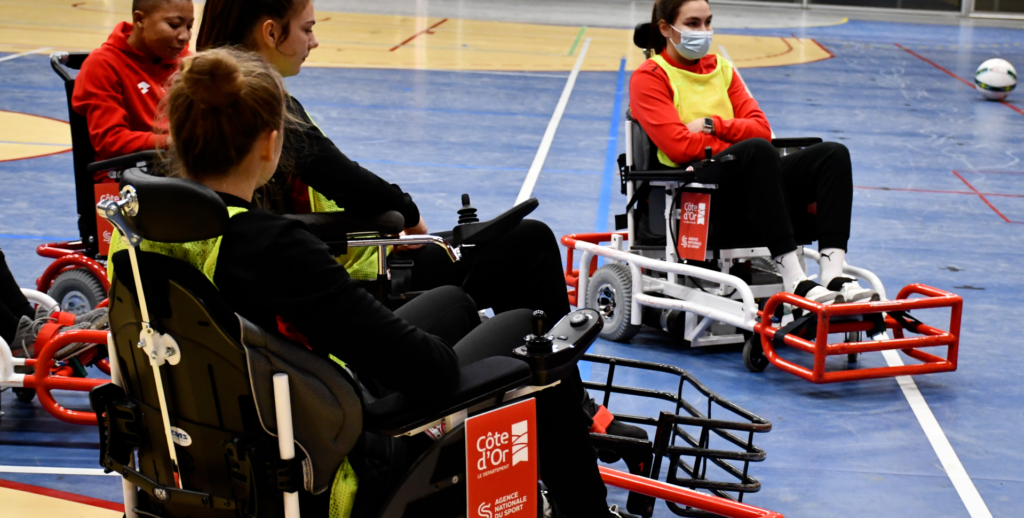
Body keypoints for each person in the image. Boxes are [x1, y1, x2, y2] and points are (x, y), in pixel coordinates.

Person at [147, 47, 634, 518]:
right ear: (271, 144)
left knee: (452, 302)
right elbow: (434, 373)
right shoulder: (270, 246)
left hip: (234, 440)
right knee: (531, 336)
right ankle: (585, 509)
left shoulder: (146, 234)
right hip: (332, 458)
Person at [630, 0, 877, 303]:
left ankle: (832, 274)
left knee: (832, 154)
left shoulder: (721, 69)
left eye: (708, 22)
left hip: (749, 177)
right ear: (666, 28)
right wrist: (739, 149)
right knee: (757, 152)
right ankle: (794, 279)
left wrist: (712, 125)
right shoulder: (650, 77)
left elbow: (761, 128)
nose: (704, 31)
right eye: (693, 24)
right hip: (699, 188)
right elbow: (679, 146)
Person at [72, 0, 193, 179]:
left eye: (189, 26)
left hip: (179, 171)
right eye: (174, 25)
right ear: (139, 19)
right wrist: (171, 142)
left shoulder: (186, 63)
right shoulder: (102, 65)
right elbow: (111, 141)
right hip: (125, 180)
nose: (184, 36)